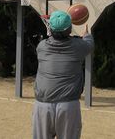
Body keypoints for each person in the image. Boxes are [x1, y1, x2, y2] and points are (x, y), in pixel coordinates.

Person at [33, 10, 94, 139]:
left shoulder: (41, 47)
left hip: (43, 105)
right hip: (68, 105)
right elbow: (89, 44)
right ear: (70, 29)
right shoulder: (79, 47)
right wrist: (87, 34)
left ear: (50, 28)